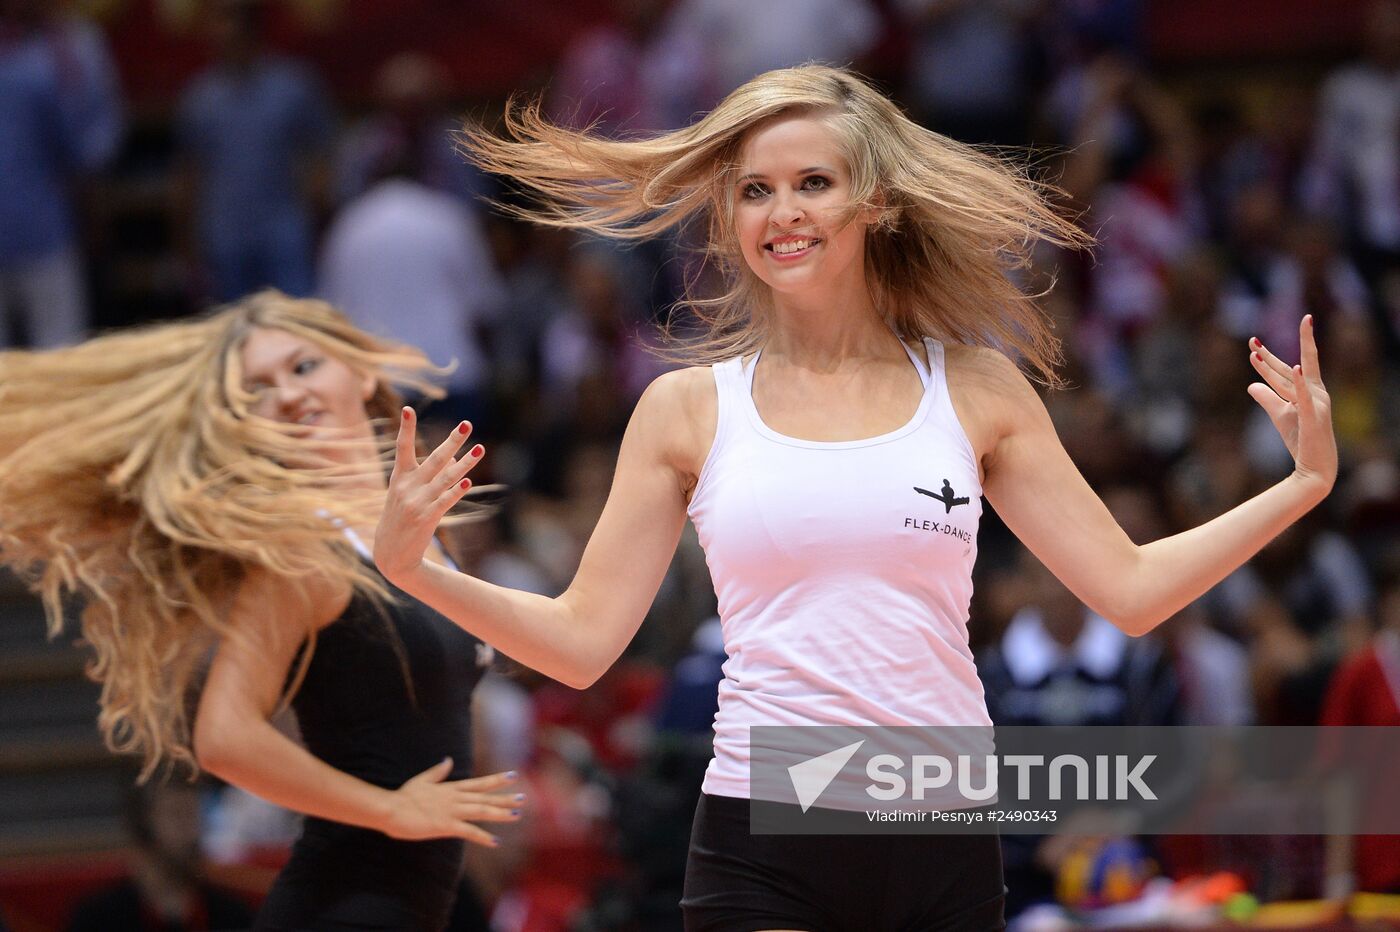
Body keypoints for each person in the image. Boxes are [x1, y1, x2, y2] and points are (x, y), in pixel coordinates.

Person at [373, 65, 1338, 930]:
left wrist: (1301, 486)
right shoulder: (685, 409)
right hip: (763, 832)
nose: (781, 211)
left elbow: (1130, 590)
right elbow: (580, 644)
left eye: (812, 184)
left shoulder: (974, 389)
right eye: (755, 191)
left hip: (942, 833)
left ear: (873, 201)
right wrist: (420, 569)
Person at [0, 292, 520, 931]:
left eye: (303, 367)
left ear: (359, 372)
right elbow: (224, 737)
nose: (288, 395)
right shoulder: (305, 552)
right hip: (341, 907)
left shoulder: (418, 533)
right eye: (258, 391)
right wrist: (390, 810)